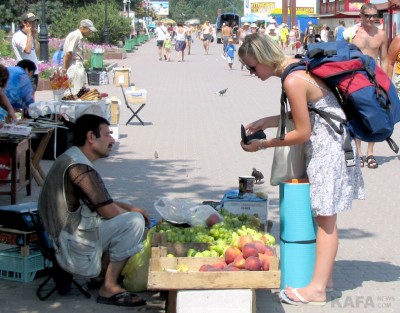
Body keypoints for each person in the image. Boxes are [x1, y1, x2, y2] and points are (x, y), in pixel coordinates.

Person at [238, 33, 364, 305]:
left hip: (329, 150)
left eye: (251, 66)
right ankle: (325, 279)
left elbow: (303, 131)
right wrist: (268, 121)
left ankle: (317, 290)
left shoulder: (293, 80)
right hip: (331, 144)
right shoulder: (295, 66)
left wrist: (263, 144)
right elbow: (308, 113)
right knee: (325, 217)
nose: (251, 73)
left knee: (326, 221)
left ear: (262, 59)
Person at [38, 114, 150, 307]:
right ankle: (109, 286)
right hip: (68, 243)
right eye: (107, 134)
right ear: (91, 137)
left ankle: (100, 274)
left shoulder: (72, 157)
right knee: (134, 223)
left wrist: (130, 207)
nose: (113, 140)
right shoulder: (79, 167)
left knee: (128, 213)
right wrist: (137, 216)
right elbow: (108, 211)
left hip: (61, 234)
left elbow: (102, 202)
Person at [343, 3, 388, 169]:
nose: (371, 19)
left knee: (374, 116)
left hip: (374, 79)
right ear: (361, 16)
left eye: (374, 16)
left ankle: (370, 152)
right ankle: (359, 152)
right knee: (356, 115)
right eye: (367, 16)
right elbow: (342, 55)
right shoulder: (352, 33)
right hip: (354, 79)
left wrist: (385, 83)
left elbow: (384, 60)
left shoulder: (381, 34)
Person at [63, 19, 97, 94]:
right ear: (83, 27)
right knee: (76, 93)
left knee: (78, 92)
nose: (90, 32)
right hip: (75, 66)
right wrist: (65, 68)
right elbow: (69, 52)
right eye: (89, 30)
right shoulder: (76, 35)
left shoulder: (78, 36)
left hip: (76, 65)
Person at [12, 12, 40, 95]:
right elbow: (27, 50)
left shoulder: (30, 35)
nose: (34, 24)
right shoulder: (18, 36)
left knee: (31, 97)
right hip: (24, 72)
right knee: (26, 98)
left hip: (34, 72)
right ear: (24, 23)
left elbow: (36, 52)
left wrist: (34, 38)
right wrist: (28, 34)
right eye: (31, 22)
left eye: (35, 22)